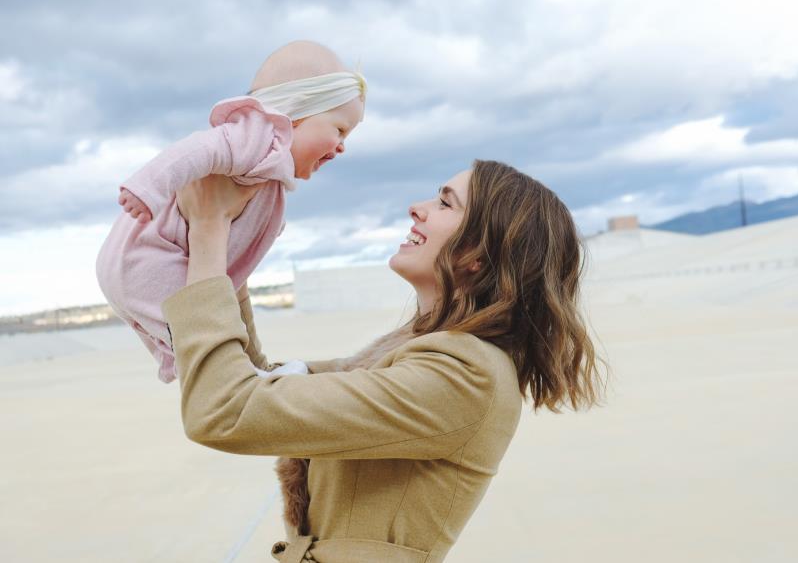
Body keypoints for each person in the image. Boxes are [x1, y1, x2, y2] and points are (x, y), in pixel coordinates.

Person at [162, 160, 605, 562]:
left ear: (480, 254)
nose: (417, 208)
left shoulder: (464, 375)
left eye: (445, 203)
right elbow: (264, 387)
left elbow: (223, 409)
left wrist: (208, 229)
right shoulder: (420, 354)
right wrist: (229, 244)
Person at [96, 41, 366, 382]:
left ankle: (205, 366)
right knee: (199, 329)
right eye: (339, 130)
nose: (342, 146)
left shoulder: (270, 178)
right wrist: (147, 188)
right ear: (296, 113)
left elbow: (230, 281)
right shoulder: (255, 138)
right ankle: (233, 374)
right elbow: (197, 149)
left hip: (139, 267)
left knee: (200, 324)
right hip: (146, 259)